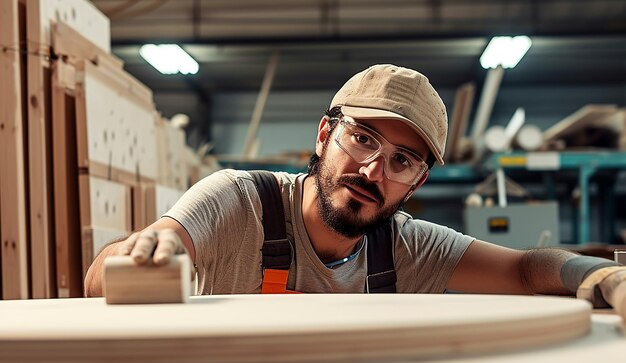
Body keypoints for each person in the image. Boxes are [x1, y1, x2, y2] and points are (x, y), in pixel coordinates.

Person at [84, 64, 625, 309]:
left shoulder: (409, 248)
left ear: (417, 183)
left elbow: (525, 271)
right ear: (324, 135)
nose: (373, 172)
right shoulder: (235, 202)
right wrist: (153, 252)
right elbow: (97, 283)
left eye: (402, 160)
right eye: (363, 139)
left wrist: (604, 277)